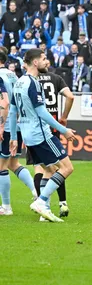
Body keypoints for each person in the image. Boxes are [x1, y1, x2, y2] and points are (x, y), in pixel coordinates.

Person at [9, 48, 77, 222]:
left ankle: (44, 211)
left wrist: (14, 138)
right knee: (67, 168)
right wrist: (64, 130)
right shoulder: (33, 83)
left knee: (48, 170)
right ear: (35, 62)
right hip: (41, 134)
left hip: (28, 135)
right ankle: (41, 201)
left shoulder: (18, 82)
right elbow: (42, 113)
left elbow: (13, 111)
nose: (47, 61)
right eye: (44, 58)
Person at [27, 58, 75, 219]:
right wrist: (64, 118)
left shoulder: (28, 81)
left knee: (43, 169)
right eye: (44, 59)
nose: (46, 62)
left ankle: (43, 207)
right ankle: (58, 202)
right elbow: (70, 97)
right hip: (49, 128)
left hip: (32, 129)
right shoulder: (56, 78)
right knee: (61, 167)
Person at [0, 50, 37, 216]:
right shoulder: (13, 75)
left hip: (7, 126)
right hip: (18, 125)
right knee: (13, 164)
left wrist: (1, 126)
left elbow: (5, 102)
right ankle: (36, 192)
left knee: (1, 166)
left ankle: (6, 207)